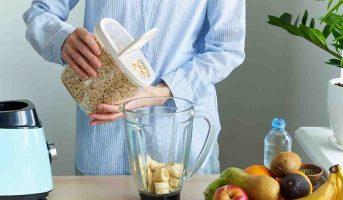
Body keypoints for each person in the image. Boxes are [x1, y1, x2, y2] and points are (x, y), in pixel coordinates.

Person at [23, 0, 246, 175]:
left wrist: (159, 92)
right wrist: (61, 39)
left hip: (180, 148)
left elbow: (226, 49)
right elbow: (41, 11)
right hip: (103, 150)